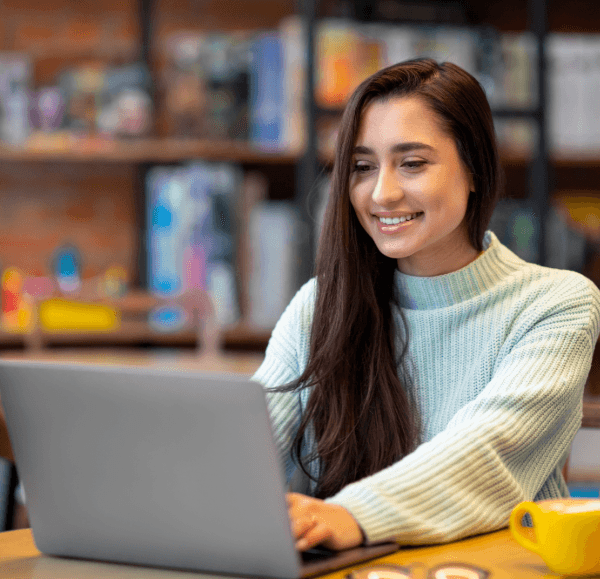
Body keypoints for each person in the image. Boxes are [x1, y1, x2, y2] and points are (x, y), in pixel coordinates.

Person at [251, 58, 600, 552]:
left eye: (412, 163)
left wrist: (350, 514)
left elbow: (485, 454)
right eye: (363, 167)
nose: (382, 193)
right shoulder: (320, 305)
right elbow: (250, 442)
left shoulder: (556, 304)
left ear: (476, 169)